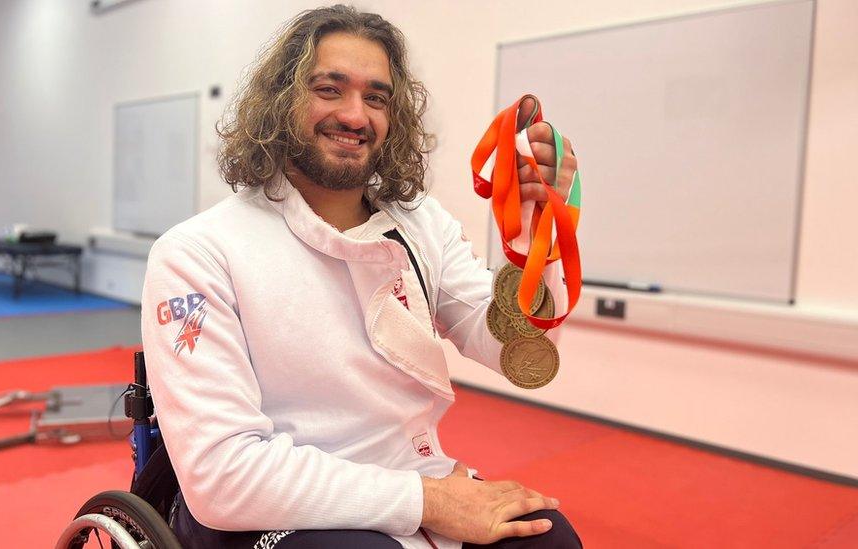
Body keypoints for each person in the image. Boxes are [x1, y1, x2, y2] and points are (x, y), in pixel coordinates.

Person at [141, 5, 582, 548]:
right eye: (330, 89)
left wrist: (539, 235)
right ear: (282, 101)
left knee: (549, 539)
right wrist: (431, 500)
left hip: (411, 478)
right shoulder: (200, 252)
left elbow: (516, 348)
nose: (355, 115)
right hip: (268, 503)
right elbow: (224, 477)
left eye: (376, 98)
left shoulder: (420, 223)